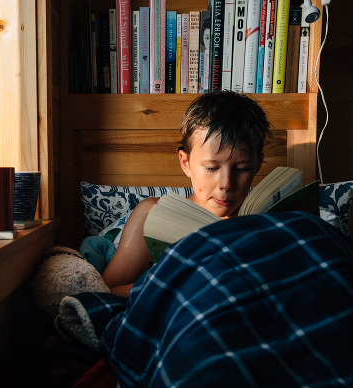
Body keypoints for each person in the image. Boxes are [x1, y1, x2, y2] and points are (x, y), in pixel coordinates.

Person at [102, 91, 272, 297]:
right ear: (186, 163)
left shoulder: (266, 217)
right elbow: (106, 292)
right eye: (211, 168)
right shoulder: (154, 215)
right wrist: (174, 286)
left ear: (258, 164)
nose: (226, 184)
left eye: (242, 169)